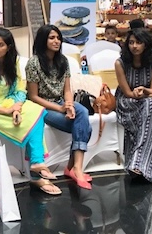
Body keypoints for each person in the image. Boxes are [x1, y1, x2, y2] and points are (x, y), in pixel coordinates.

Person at [0, 28, 62, 195]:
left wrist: (17, 108)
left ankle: (36, 166)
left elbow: (20, 90)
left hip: (10, 104)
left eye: (0, 45)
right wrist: (6, 111)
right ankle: (37, 170)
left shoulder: (13, 63)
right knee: (33, 120)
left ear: (9, 47)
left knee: (38, 111)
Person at [26, 25, 93, 190]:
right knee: (85, 127)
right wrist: (61, 109)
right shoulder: (34, 63)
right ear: (43, 40)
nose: (56, 41)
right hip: (43, 106)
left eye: (58, 38)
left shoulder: (63, 61)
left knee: (82, 112)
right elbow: (33, 97)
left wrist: (69, 105)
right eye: (52, 38)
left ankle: (75, 167)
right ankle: (73, 168)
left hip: (61, 102)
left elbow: (68, 90)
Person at [114, 29, 152, 183]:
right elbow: (127, 92)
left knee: (151, 104)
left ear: (146, 45)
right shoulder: (120, 63)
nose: (134, 46)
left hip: (147, 99)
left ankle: (138, 164)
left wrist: (146, 91)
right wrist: (145, 94)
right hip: (127, 102)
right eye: (131, 42)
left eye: (138, 42)